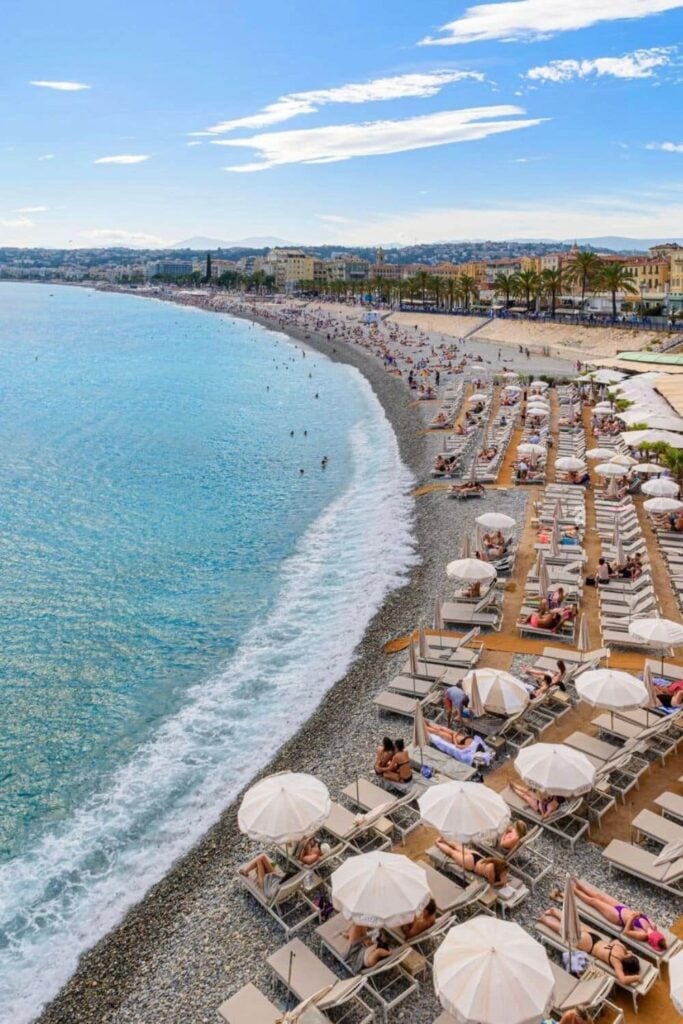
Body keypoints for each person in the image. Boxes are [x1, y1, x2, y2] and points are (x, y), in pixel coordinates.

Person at [539, 908, 642, 986]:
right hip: (589, 946)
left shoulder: (621, 949)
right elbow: (623, 980)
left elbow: (615, 940)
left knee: (572, 925)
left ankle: (554, 912)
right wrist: (636, 978)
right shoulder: (617, 962)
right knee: (565, 932)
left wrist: (628, 952)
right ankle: (544, 920)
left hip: (596, 937)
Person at [571, 880, 667, 951]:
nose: (654, 934)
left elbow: (626, 932)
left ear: (652, 940)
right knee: (598, 896)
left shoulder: (643, 935)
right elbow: (644, 915)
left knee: (594, 901)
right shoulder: (653, 927)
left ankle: (574, 890)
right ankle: (579, 885)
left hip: (618, 917)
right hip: (623, 908)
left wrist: (633, 917)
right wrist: (640, 914)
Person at [435, 839, 509, 888]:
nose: (505, 873)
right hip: (472, 864)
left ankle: (443, 839)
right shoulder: (491, 870)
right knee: (452, 853)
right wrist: (501, 882)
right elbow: (491, 883)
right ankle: (438, 843)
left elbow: (503, 874)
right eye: (504, 872)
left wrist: (503, 877)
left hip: (477, 856)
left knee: (458, 847)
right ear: (500, 869)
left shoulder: (496, 862)